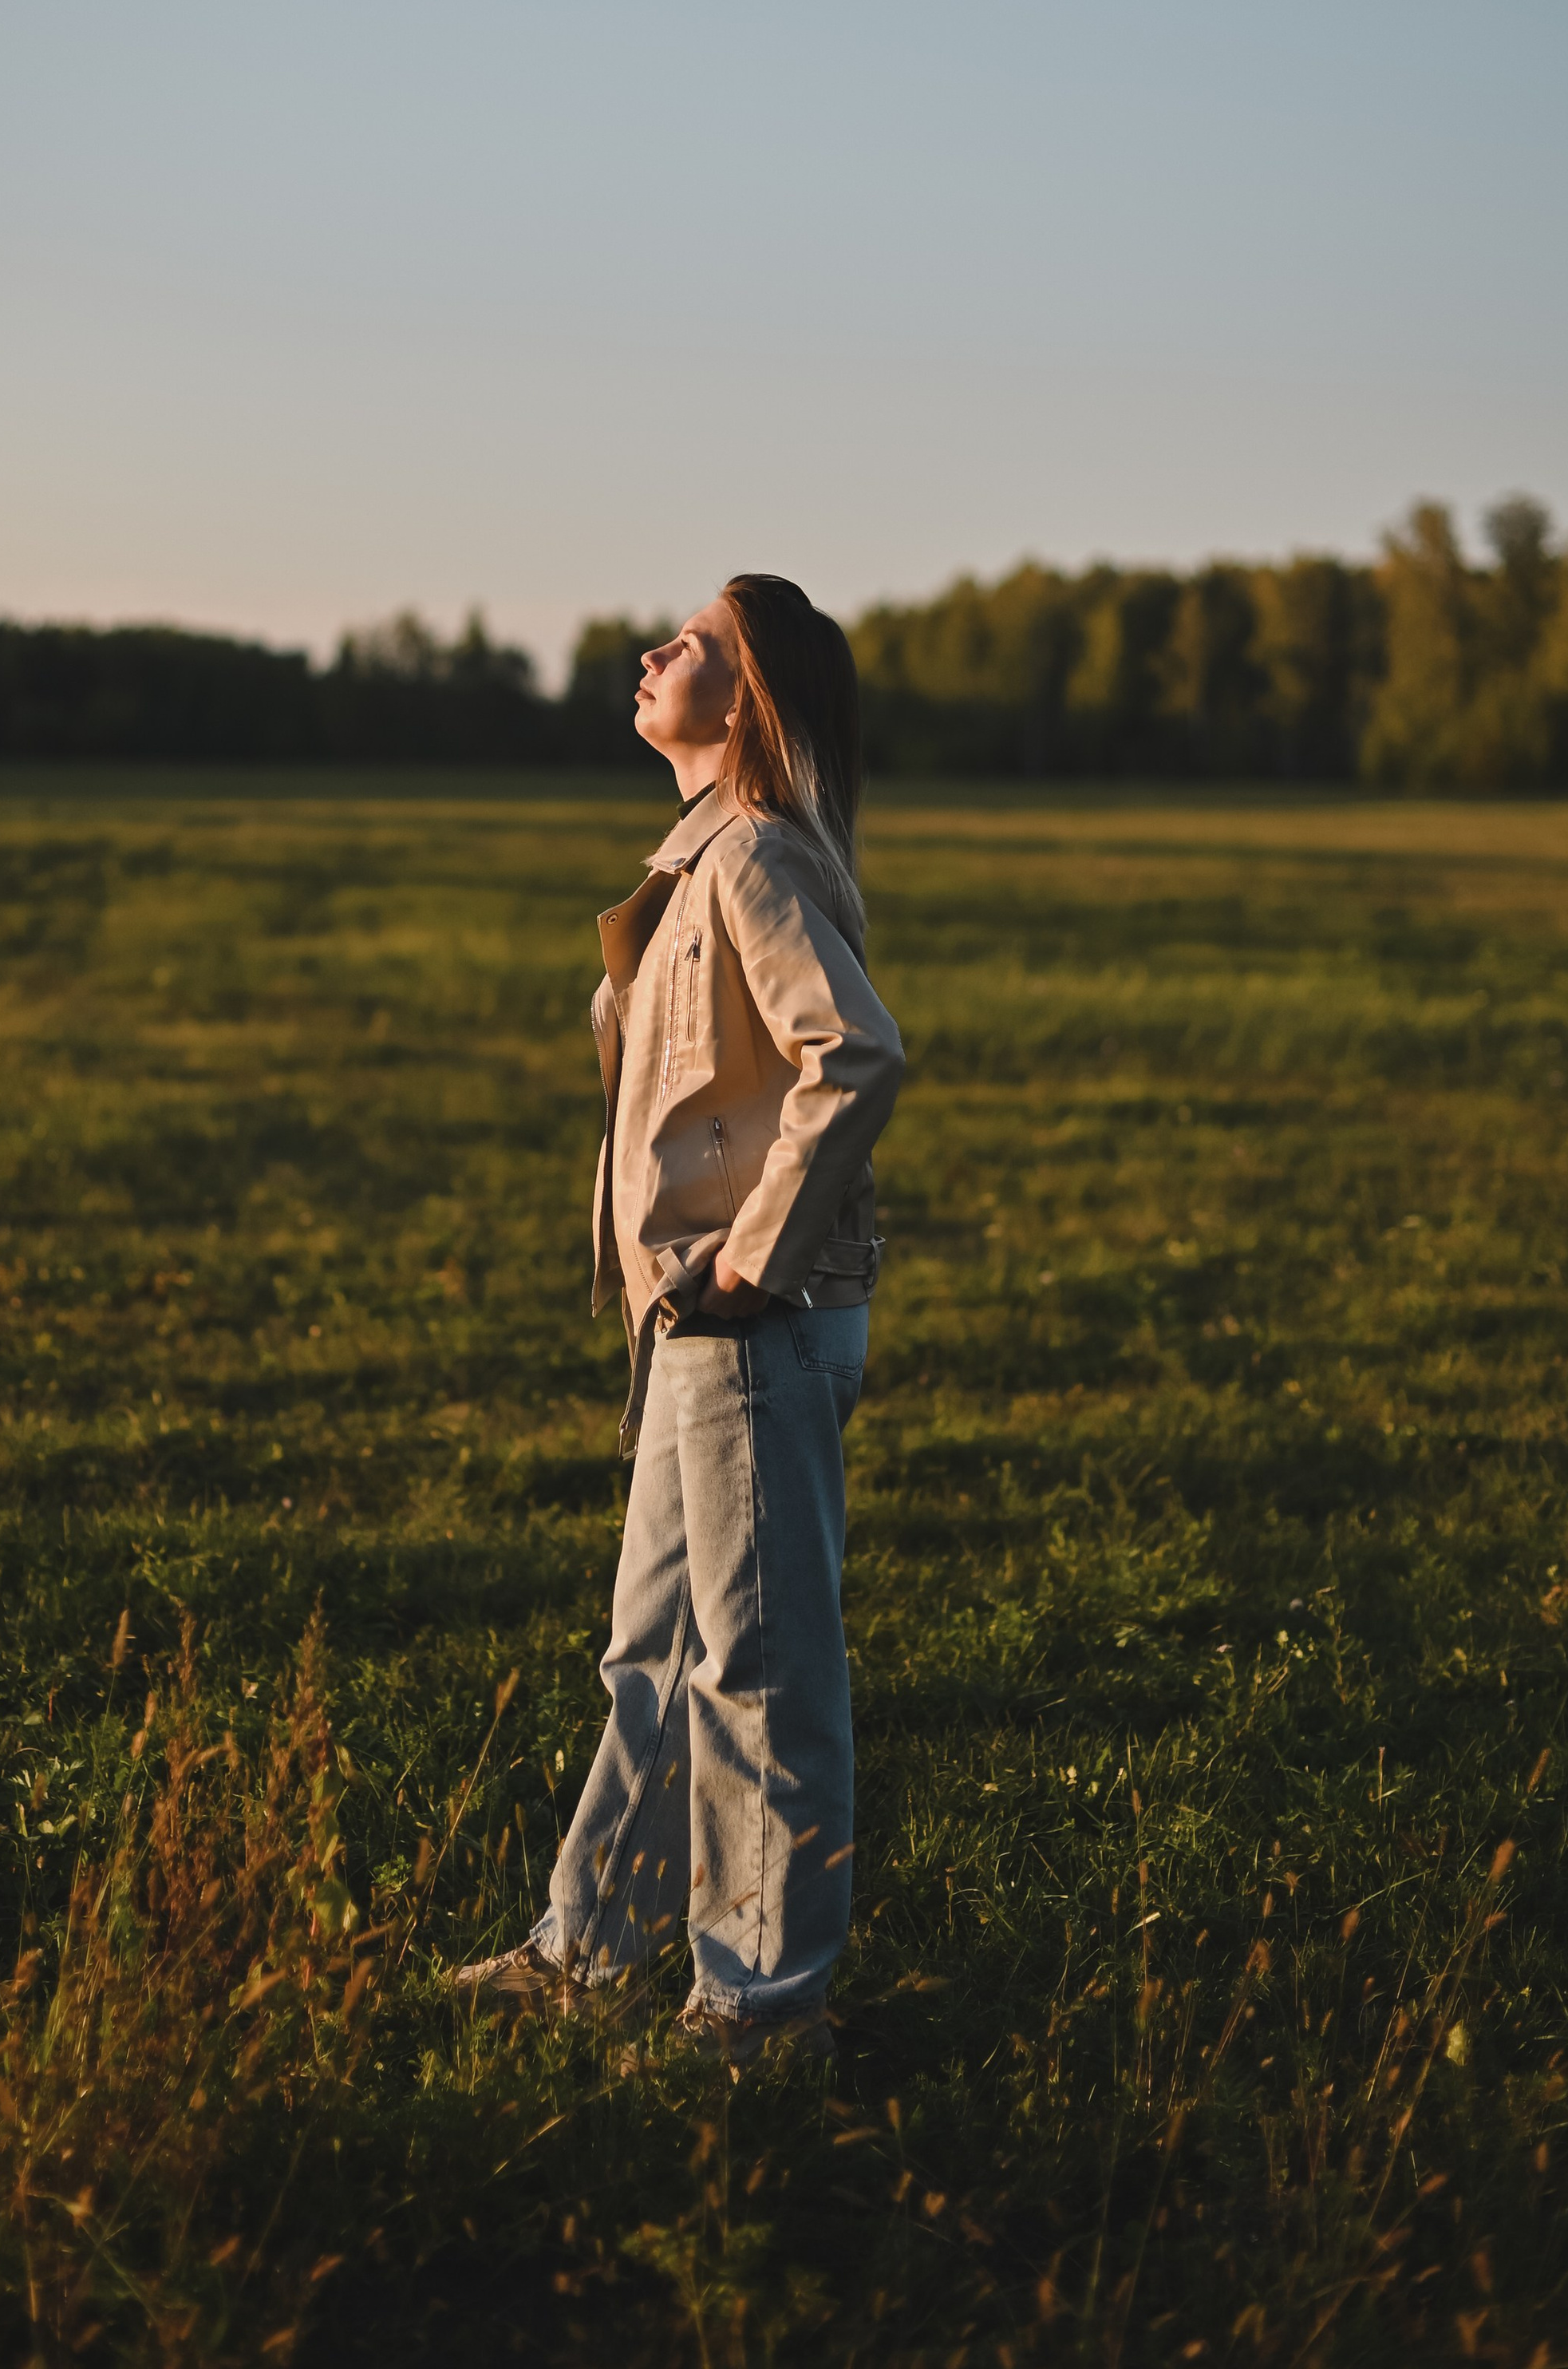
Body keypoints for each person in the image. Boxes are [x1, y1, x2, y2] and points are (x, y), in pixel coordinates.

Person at [456, 573, 905, 2066]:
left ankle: (763, 2016)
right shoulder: (702, 853)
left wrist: (751, 1261)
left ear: (754, 698)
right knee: (653, 1653)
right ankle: (589, 1952)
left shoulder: (758, 856)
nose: (656, 652)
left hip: (751, 1317)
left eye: (697, 645)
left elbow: (855, 1056)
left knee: (759, 1669)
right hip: (698, 1320)